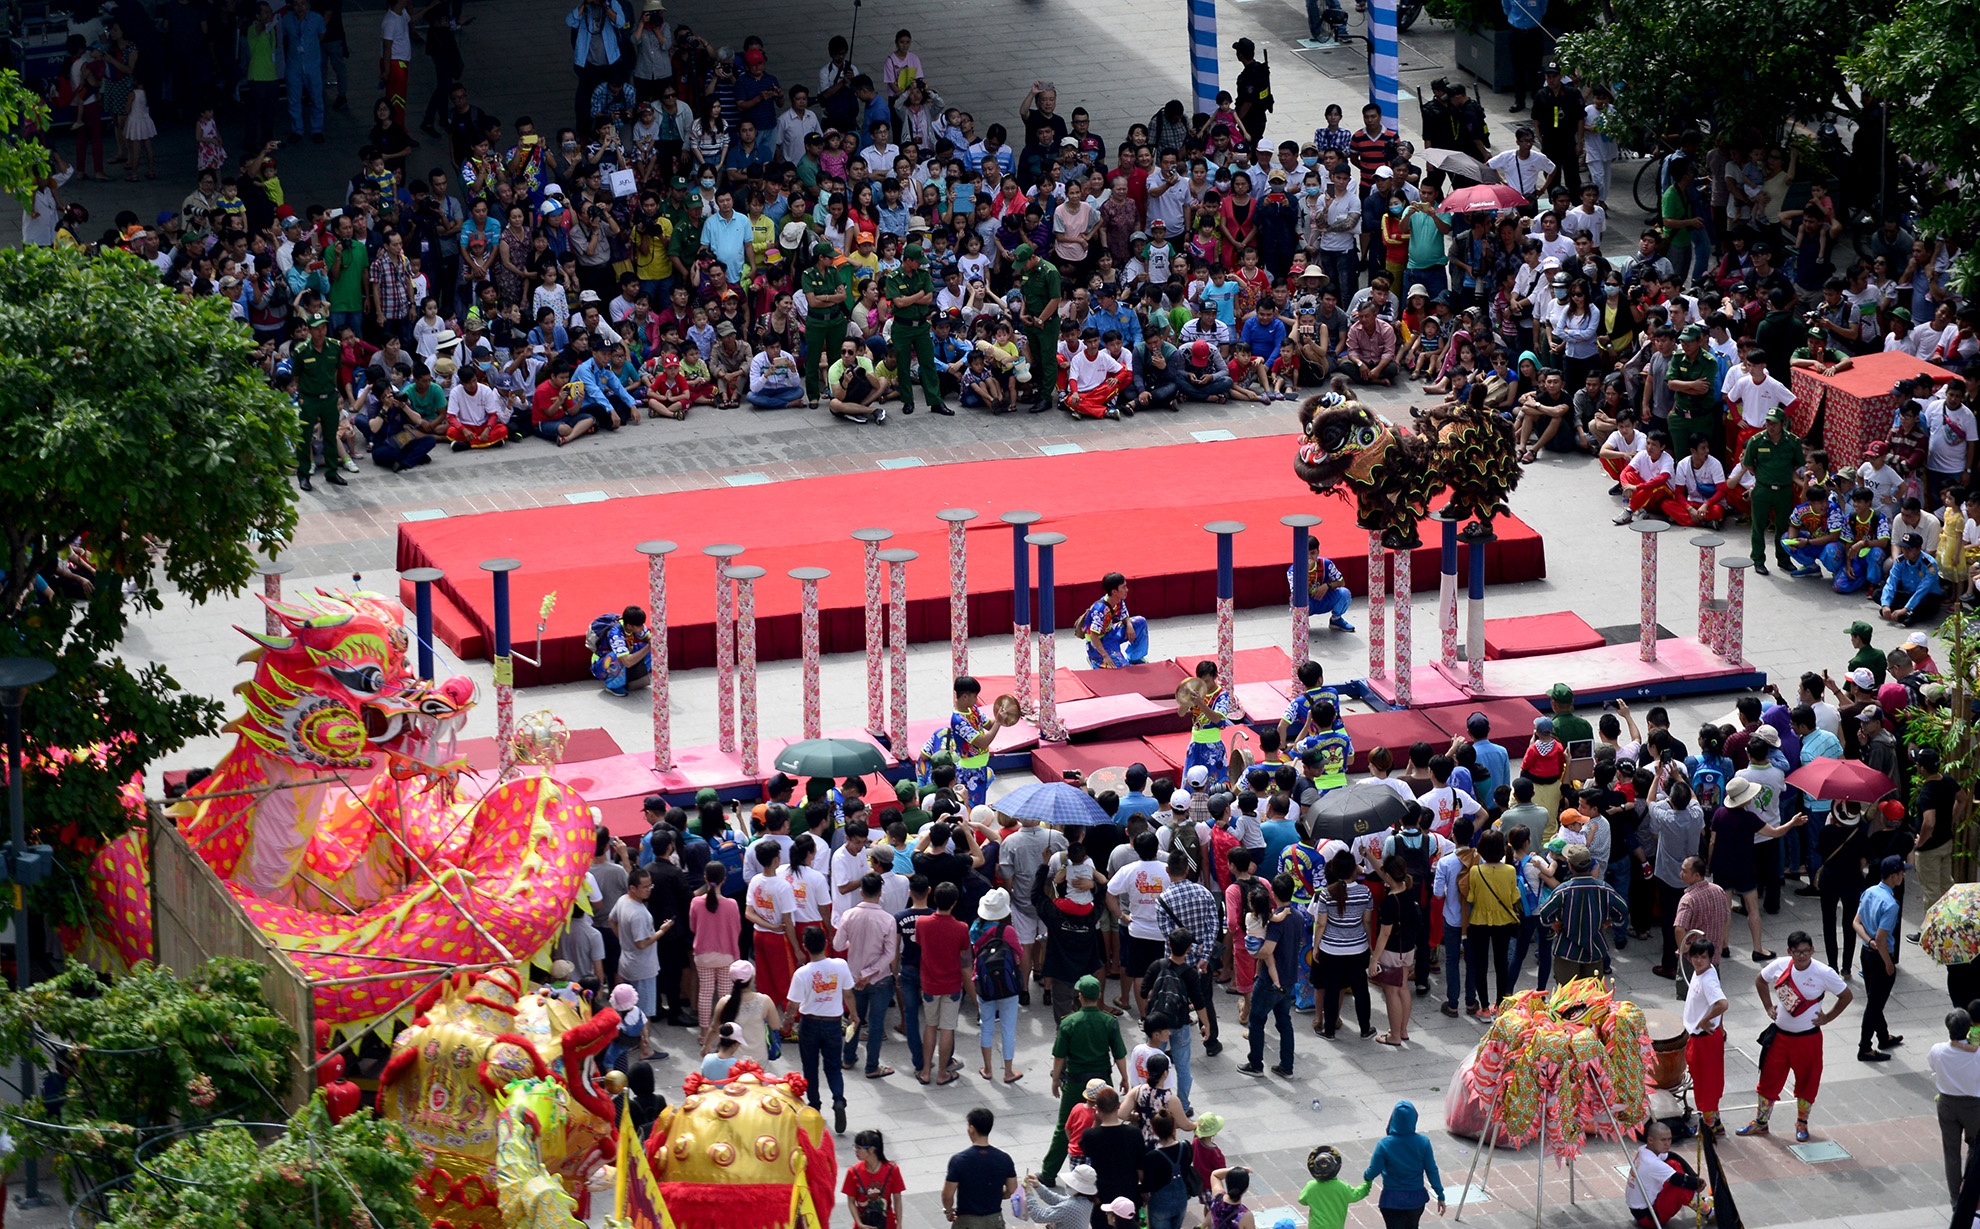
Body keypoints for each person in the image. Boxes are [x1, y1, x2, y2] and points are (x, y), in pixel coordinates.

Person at [1739, 930, 1856, 1142]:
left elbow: (1846, 995)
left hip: (1808, 1039)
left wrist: (1828, 1018)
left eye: (1805, 951)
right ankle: (1761, 1122)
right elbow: (1760, 980)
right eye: (1797, 952)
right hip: (1779, 1038)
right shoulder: (1780, 965)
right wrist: (1768, 1007)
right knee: (1768, 1080)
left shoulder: (1824, 972)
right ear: (1789, 951)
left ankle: (1802, 1123)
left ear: (1812, 950)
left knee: (1807, 1082)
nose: (1802, 956)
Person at [1040, 974, 1128, 1186]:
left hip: (1075, 1084)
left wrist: (1055, 1080)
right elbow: (1119, 1054)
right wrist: (1125, 1078)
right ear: (1099, 995)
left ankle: (1049, 1173)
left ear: (1079, 996)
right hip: (1103, 1082)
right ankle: (1108, 1170)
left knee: (1064, 1126)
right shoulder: (1109, 1021)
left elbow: (1060, 1055)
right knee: (1107, 1124)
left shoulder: (1068, 1023)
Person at [833, 872, 899, 1080]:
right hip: (879, 978)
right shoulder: (888, 919)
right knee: (876, 1024)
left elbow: (837, 945)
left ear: (861, 892)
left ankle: (848, 1057)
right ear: (880, 893)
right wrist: (869, 973)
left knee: (855, 1019)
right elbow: (889, 954)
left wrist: (854, 949)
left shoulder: (849, 915)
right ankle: (872, 1066)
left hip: (854, 978)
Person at [787, 925, 852, 1134]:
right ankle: (839, 1099)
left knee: (810, 1066)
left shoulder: (802, 973)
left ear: (805, 947)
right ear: (826, 943)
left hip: (810, 1023)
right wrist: (856, 1015)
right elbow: (848, 993)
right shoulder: (840, 965)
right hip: (834, 1022)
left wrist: (788, 1021)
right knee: (833, 1066)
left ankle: (814, 1105)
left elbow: (793, 1005)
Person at [1535, 842, 1627, 985]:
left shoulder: (1563, 891)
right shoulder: (1604, 889)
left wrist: (1554, 924)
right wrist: (1608, 922)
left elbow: (1545, 914)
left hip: (1567, 951)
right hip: (1595, 950)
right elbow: (1622, 911)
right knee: (1592, 1000)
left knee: (1567, 999)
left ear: (1570, 866)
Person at [1238, 882, 1298, 1077]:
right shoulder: (1296, 916)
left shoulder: (1274, 923)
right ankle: (1287, 1066)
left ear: (1273, 894)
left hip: (1269, 981)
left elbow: (1266, 950)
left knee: (1256, 1020)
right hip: (1289, 977)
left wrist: (1254, 954)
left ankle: (1255, 1064)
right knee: (1284, 1022)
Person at [1852, 855, 1908, 1062]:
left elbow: (1856, 922)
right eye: (1902, 872)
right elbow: (1882, 939)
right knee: (1875, 1005)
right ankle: (1865, 1047)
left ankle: (1883, 1037)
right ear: (1894, 876)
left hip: (1866, 954)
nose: (1903, 875)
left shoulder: (1869, 892)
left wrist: (1869, 940)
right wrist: (1888, 963)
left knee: (1874, 999)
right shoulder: (1891, 904)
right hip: (1880, 957)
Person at [1362, 1101, 1445, 1227]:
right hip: (1416, 1200)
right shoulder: (1423, 1143)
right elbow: (1432, 1170)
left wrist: (1366, 1176)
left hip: (1391, 1199)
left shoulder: (1384, 1144)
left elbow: (1373, 1170)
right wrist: (1440, 1194)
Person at [1929, 1008, 1980, 1202]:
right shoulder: (1977, 1054)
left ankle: (1955, 1199)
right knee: (1975, 1149)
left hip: (1947, 1103)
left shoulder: (1938, 1050)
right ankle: (1970, 1190)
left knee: (1951, 1152)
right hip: (1973, 1105)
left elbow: (1933, 1066)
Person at [1683, 937, 1730, 1136]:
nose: (1698, 960)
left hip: (1705, 1038)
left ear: (1711, 958)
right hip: (1700, 1037)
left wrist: (1705, 1020)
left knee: (1706, 1082)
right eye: (1695, 956)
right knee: (1703, 1079)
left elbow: (1722, 1004)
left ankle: (1708, 1126)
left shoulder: (1708, 980)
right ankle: (1715, 1122)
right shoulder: (1701, 973)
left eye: (1703, 957)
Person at [1624, 1120, 1709, 1229]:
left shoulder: (1644, 1150)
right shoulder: (1651, 1163)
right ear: (1650, 1140)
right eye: (1663, 1140)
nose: (1667, 1143)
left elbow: (1673, 1157)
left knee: (1673, 1164)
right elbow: (1679, 1180)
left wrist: (1693, 1176)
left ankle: (1696, 1199)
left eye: (1669, 1139)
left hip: (1644, 1208)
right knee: (1680, 1188)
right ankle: (1707, 1211)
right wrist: (1698, 1183)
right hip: (1649, 1218)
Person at [944, 1107, 1019, 1229]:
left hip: (967, 1221)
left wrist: (948, 1212)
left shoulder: (959, 1160)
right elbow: (1012, 1190)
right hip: (995, 1220)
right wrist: (998, 1195)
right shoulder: (1004, 1158)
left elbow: (947, 1195)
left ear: (972, 1129)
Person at [1078, 572, 1149, 668]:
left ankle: (1135, 657)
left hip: (1111, 632)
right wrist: (1105, 656)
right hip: (1099, 642)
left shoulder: (1118, 600)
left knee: (1140, 622)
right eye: (1123, 587)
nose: (1127, 590)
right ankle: (1096, 661)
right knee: (1122, 669)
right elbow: (1093, 636)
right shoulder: (1100, 610)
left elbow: (1124, 615)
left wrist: (1129, 625)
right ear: (1114, 591)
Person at [844, 1130, 906, 1229]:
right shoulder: (853, 1172)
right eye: (855, 1147)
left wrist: (899, 1223)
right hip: (864, 1225)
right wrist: (859, 1224)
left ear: (872, 1149)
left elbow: (897, 1198)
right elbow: (851, 1202)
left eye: (859, 1148)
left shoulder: (892, 1170)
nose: (855, 1150)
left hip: (887, 1224)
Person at [587, 605, 652, 696]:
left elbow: (648, 636)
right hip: (602, 663)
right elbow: (627, 662)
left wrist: (652, 641)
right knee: (616, 658)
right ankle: (612, 685)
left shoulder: (631, 622)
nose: (642, 627)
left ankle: (632, 678)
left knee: (651, 651)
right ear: (629, 626)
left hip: (626, 653)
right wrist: (649, 647)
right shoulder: (615, 634)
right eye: (640, 626)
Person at [1018, 1165, 1097, 1229]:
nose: (1067, 1185)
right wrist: (1038, 1186)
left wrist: (1028, 1193)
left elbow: (1038, 1216)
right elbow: (1057, 1199)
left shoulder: (1069, 1206)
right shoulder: (1087, 1199)